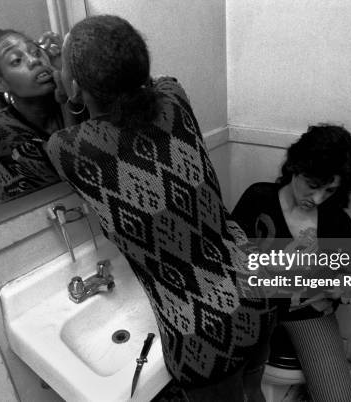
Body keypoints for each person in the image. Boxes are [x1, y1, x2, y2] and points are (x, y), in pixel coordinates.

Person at [46, 15, 275, 401]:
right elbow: (151, 83)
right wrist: (76, 75)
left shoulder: (69, 151)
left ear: (75, 85)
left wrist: (66, 90)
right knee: (255, 394)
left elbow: (75, 134)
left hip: (202, 336)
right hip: (255, 291)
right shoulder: (176, 102)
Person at [231, 125, 351, 402]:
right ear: (295, 167)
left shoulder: (336, 221)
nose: (317, 199)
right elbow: (229, 251)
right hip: (252, 307)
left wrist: (347, 285)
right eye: (313, 186)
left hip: (307, 313)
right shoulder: (258, 198)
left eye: (329, 191)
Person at [0, 29, 88, 201]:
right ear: (0, 84)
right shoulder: (0, 130)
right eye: (16, 60)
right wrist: (66, 97)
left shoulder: (74, 101)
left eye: (35, 52)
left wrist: (65, 68)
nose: (34, 60)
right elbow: (73, 174)